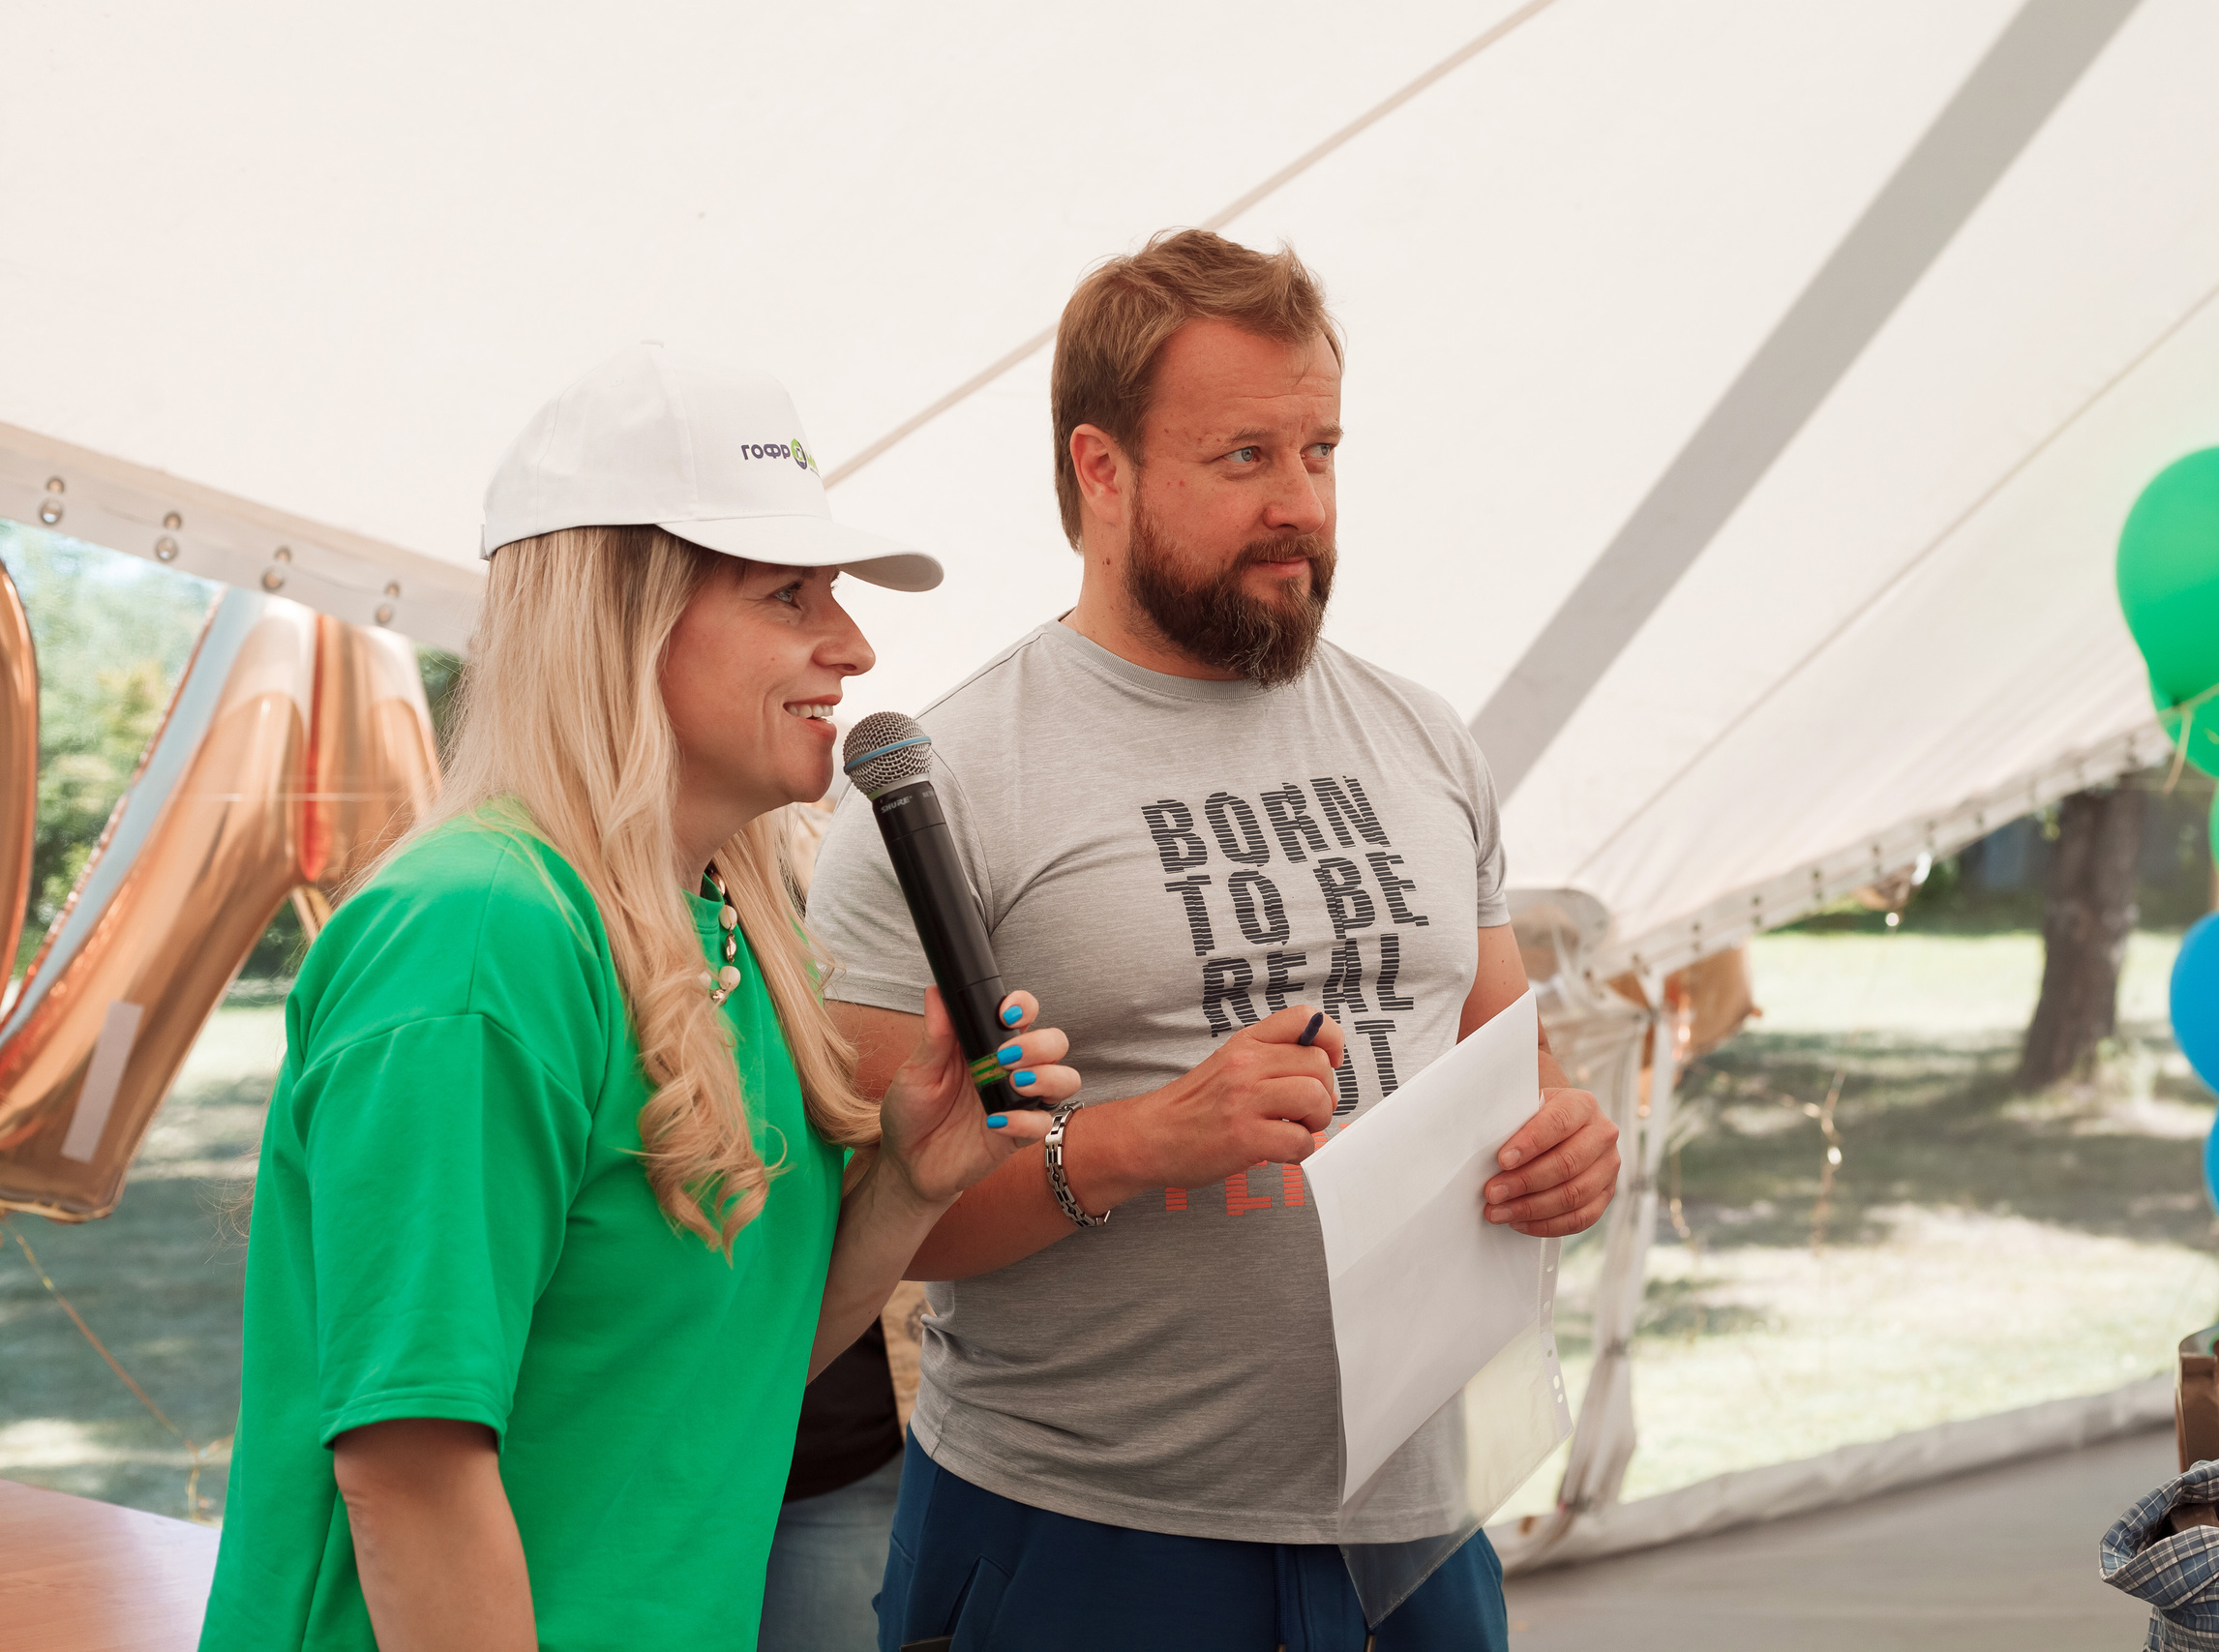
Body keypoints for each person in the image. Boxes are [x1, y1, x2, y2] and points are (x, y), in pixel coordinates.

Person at [806, 231, 1621, 1650]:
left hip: (1420, 1530)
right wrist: (1140, 1140)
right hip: (1083, 1536)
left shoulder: (1424, 739)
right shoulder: (946, 785)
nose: (1300, 503)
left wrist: (1566, 1148)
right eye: (1245, 457)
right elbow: (868, 1222)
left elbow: (1511, 1076)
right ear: (1100, 470)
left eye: (1321, 451)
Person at [197, 345, 1075, 1651]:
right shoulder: (478, 938)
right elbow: (412, 1475)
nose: (854, 644)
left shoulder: (724, 932)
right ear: (624, 614)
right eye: (791, 595)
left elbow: (718, 1380)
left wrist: (909, 1182)